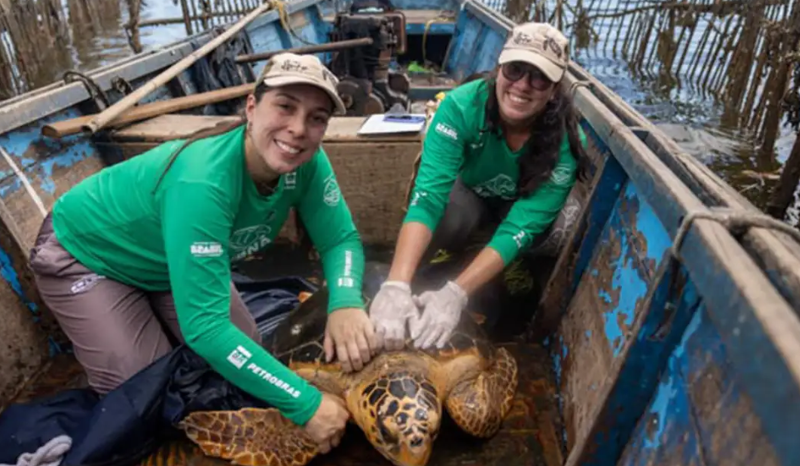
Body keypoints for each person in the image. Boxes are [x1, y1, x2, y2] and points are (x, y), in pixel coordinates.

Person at [28, 53, 377, 454]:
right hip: (86, 254)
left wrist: (346, 300)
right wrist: (305, 403)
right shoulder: (204, 181)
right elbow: (207, 328)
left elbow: (340, 239)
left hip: (167, 264)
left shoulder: (308, 164)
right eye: (285, 107)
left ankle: (145, 318)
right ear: (251, 106)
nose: (298, 130)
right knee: (146, 392)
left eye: (316, 118)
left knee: (249, 351)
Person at [369, 22, 590, 351]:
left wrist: (456, 293)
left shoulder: (566, 145)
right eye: (515, 70)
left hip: (517, 210)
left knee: (562, 226)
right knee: (447, 212)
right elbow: (427, 199)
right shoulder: (460, 107)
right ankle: (416, 273)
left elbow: (522, 226)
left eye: (539, 77)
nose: (523, 86)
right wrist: (398, 283)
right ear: (499, 68)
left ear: (555, 89)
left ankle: (505, 266)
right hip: (470, 196)